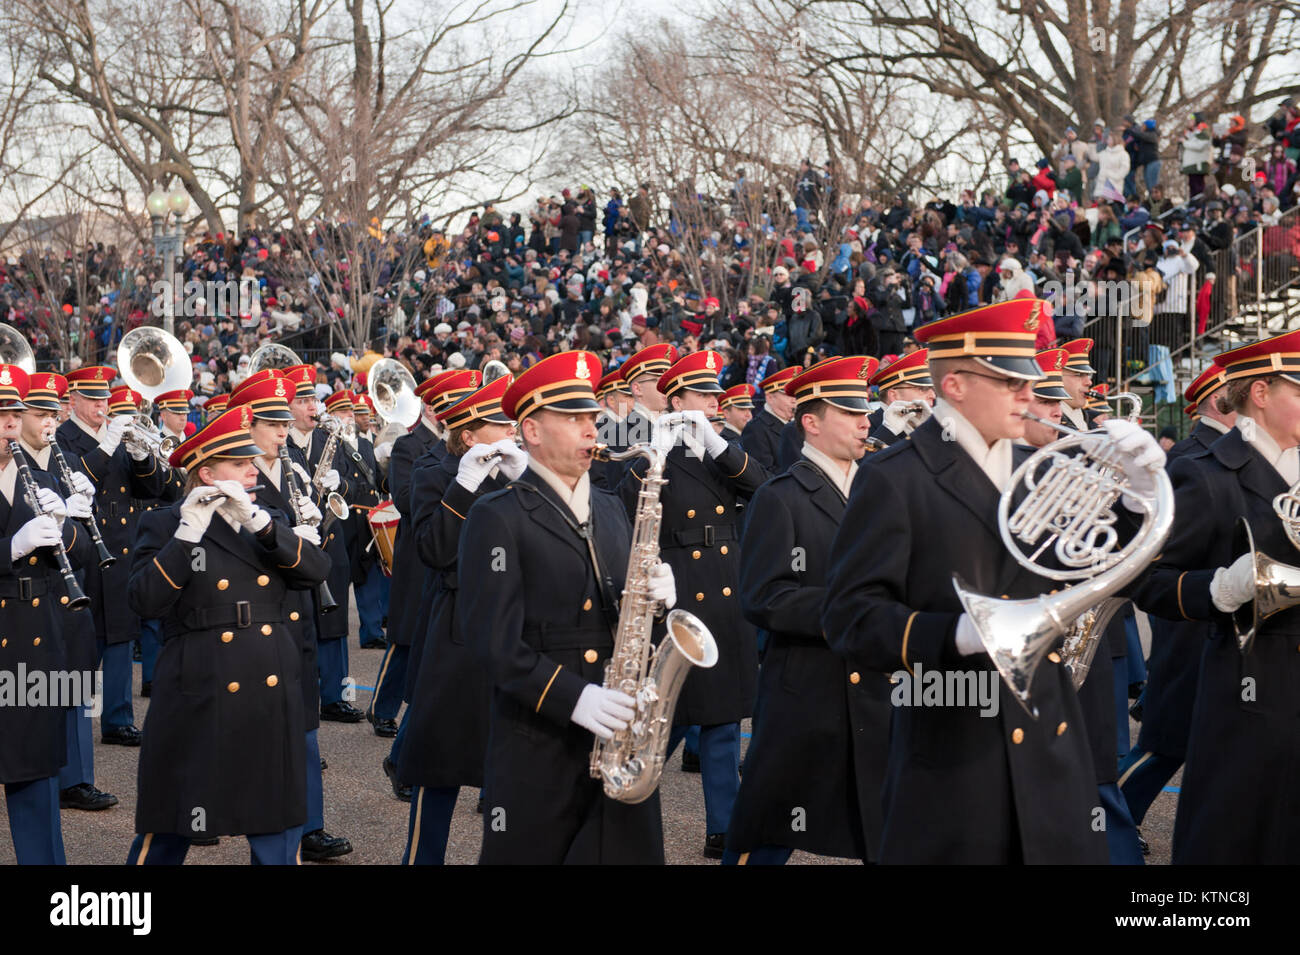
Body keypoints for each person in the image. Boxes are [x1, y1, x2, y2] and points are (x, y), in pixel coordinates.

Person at [822, 299, 1160, 863]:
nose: (1030, 394)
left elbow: (1108, 565)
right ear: (954, 384)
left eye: (1030, 381)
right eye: (1010, 382)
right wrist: (955, 633)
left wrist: (1138, 496)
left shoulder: (1046, 468)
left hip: (1053, 743)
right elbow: (850, 618)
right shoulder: (895, 477)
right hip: (954, 753)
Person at [458, 350, 676, 864]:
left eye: (592, 418)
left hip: (621, 736)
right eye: (574, 419)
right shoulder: (497, 515)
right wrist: (575, 698)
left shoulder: (609, 504)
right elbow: (493, 643)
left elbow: (621, 612)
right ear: (530, 431)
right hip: (541, 740)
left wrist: (657, 599)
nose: (591, 429)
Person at [125, 405, 331, 864]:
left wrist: (262, 525)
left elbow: (316, 572)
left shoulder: (268, 516)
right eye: (239, 464)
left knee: (276, 827)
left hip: (267, 682)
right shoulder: (164, 522)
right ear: (206, 471)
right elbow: (144, 600)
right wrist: (187, 534)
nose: (251, 470)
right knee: (173, 819)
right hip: (200, 682)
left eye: (251, 461)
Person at [1129, 333, 1300, 863]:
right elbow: (1152, 582)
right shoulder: (1205, 471)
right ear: (1261, 392)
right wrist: (1222, 587)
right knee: (1235, 839)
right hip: (1248, 688)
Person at [725, 356, 890, 865]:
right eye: (849, 411)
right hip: (808, 691)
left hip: (879, 686)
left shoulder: (882, 489)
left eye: (864, 409)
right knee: (769, 829)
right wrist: (850, 610)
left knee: (888, 824)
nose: (866, 420)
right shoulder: (783, 497)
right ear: (811, 423)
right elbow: (763, 596)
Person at [620, 349, 768, 858]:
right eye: (702, 395)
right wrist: (657, 453)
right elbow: (624, 507)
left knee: (725, 718)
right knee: (671, 713)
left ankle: (723, 826)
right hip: (679, 589)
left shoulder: (721, 449)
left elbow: (766, 492)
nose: (712, 402)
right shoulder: (650, 446)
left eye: (713, 395)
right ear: (676, 398)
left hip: (726, 588)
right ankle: (628, 799)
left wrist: (717, 446)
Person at [1023, 348, 1144, 865]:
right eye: (1041, 401)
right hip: (1026, 657)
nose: (1054, 411)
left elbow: (1120, 546)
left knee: (1098, 767)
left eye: (1056, 401)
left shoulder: (1073, 457)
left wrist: (1138, 497)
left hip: (1087, 642)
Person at [227, 371, 353, 862]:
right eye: (273, 423)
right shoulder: (235, 471)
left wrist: (314, 527)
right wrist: (290, 535)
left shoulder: (293, 466)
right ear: (248, 422)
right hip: (260, 617)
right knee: (257, 734)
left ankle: (309, 826)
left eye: (286, 423)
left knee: (304, 725)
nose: (284, 432)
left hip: (297, 609)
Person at [398, 374, 522, 863]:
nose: (510, 431)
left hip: (514, 624)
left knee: (511, 770)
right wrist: (465, 483)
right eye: (498, 424)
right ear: (468, 436)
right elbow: (434, 549)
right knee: (440, 765)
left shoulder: (519, 470)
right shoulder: (436, 474)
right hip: (456, 629)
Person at [1119, 366, 1233, 832]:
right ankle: (1109, 827)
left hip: (1212, 622)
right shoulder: (1189, 458)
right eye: (1231, 387)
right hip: (1188, 624)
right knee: (1166, 744)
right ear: (1212, 398)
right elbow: (1161, 559)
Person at [0, 364, 96, 863]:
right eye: (2, 413)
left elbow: (77, 557)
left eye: (15, 411)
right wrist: (8, 548)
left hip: (33, 644)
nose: (11, 421)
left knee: (34, 777)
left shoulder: (41, 474)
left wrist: (72, 521)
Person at [17, 373, 116, 813]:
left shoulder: (60, 461)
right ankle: (48, 775)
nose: (49, 423)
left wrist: (75, 519)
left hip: (69, 593)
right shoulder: (16, 466)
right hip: (30, 597)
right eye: (40, 415)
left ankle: (76, 778)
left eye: (51, 414)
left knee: (75, 684)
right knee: (35, 695)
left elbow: (76, 549)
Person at [57, 366, 168, 746]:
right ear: (72, 401)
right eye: (92, 399)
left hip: (120, 549)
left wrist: (141, 456)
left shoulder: (119, 437)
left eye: (104, 398)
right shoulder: (62, 437)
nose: (101, 405)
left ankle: (118, 718)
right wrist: (106, 447)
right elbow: (74, 479)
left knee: (121, 637)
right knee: (83, 643)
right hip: (85, 549)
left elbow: (154, 490)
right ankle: (72, 728)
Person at [375, 371, 455, 799]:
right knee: (416, 660)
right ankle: (400, 750)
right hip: (424, 563)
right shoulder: (410, 447)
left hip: (459, 570)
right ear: (434, 407)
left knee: (436, 676)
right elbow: (406, 502)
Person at [280, 364, 357, 724]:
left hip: (331, 541)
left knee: (336, 622)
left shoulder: (329, 440)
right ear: (290, 407)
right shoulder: (281, 444)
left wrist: (340, 485)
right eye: (305, 400)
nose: (314, 407)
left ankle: (337, 697)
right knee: (301, 626)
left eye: (314, 399)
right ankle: (304, 703)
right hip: (298, 543)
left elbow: (351, 492)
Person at [867, 349, 935, 446]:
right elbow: (869, 460)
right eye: (922, 388)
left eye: (933, 389)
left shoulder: (921, 424)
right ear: (894, 395)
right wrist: (887, 432)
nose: (933, 395)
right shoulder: (868, 428)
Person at [740, 366, 798, 472]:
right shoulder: (755, 429)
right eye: (789, 395)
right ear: (770, 397)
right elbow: (763, 475)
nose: (794, 400)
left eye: (796, 395)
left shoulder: (797, 425)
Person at [1058, 338, 1096, 430]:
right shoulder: (1053, 421)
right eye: (1079, 375)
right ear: (1057, 378)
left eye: (1088, 375)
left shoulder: (1086, 418)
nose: (1089, 382)